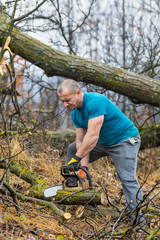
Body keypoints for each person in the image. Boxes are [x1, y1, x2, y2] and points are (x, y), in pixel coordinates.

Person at [57, 78, 145, 226]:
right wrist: (83, 168)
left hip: (124, 140)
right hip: (103, 142)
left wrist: (76, 160)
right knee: (72, 148)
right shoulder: (75, 113)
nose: (65, 105)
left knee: (127, 178)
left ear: (78, 93)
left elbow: (92, 136)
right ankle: (74, 187)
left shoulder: (95, 101)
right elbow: (81, 141)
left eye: (67, 100)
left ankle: (138, 221)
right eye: (63, 102)